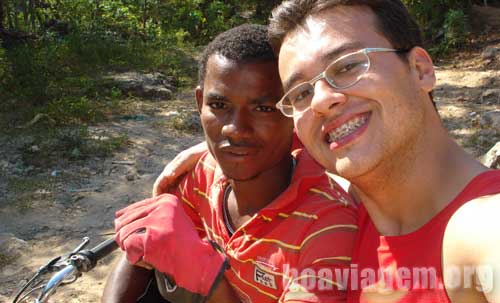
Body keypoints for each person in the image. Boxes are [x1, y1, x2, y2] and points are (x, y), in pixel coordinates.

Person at [153, 1, 500, 302]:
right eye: (301, 93)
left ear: (420, 70)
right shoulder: (361, 198)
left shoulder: (480, 228)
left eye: (347, 66)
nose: (320, 100)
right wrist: (226, 142)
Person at [103, 24, 358, 303]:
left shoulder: (328, 227)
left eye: (263, 109)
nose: (235, 129)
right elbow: (144, 251)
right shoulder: (202, 173)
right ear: (200, 102)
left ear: (294, 109)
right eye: (219, 106)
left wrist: (207, 277)